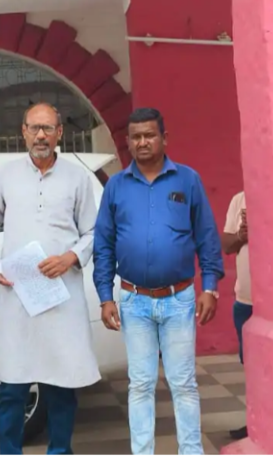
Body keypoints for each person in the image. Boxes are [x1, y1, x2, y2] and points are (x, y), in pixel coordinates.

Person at [94, 107, 225, 455]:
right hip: (134, 300)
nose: (143, 142)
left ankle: (191, 451)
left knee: (184, 383)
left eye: (149, 135)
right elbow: (103, 245)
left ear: (164, 139)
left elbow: (207, 237)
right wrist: (105, 296)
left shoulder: (188, 180)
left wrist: (210, 287)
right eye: (136, 137)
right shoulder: (116, 187)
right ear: (128, 142)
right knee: (140, 384)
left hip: (179, 298)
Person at [0, 102, 100, 455]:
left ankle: (59, 451)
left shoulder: (77, 177)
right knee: (12, 387)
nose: (41, 135)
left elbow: (93, 231)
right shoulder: (4, 174)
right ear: (23, 132)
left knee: (62, 385)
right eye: (34, 128)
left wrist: (69, 258)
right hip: (19, 297)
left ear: (60, 132)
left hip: (62, 296)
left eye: (48, 128)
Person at [221, 191, 251, 440]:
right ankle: (255, 420)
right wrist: (241, 236)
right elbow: (227, 245)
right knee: (250, 367)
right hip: (245, 301)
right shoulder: (239, 199)